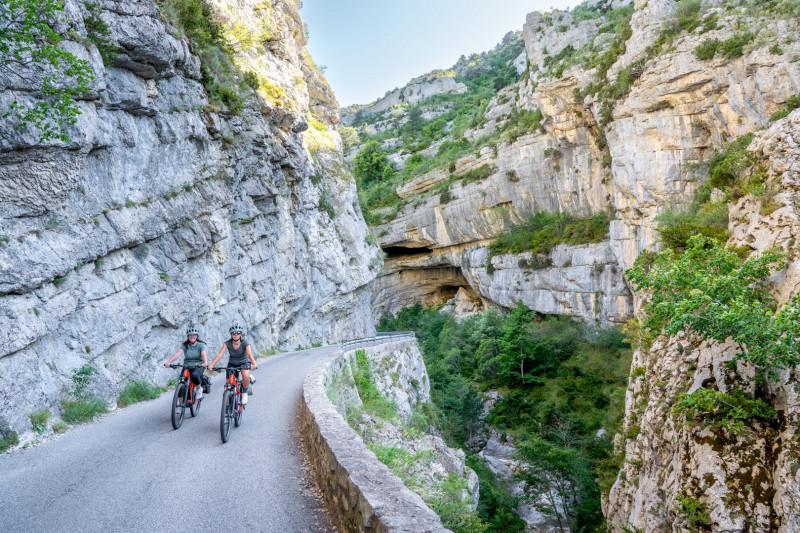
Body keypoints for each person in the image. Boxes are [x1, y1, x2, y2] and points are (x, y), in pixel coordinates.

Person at [209, 323, 257, 404]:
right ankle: (227, 408)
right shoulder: (227, 343)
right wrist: (212, 364)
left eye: (238, 333)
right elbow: (220, 354)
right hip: (232, 363)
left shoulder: (245, 342)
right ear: (231, 334)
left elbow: (249, 354)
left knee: (245, 375)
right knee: (228, 386)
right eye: (233, 333)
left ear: (241, 334)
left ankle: (244, 393)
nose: (236, 335)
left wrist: (254, 364)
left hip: (244, 363)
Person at [164, 327, 209, 399]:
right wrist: (169, 362)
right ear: (188, 336)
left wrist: (205, 363)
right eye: (190, 335)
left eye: (194, 335)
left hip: (198, 365)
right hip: (187, 365)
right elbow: (178, 354)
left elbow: (203, 354)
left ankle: (199, 388)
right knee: (181, 381)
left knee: (194, 376)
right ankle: (179, 406)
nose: (192, 337)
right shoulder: (185, 345)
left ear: (197, 336)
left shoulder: (201, 345)